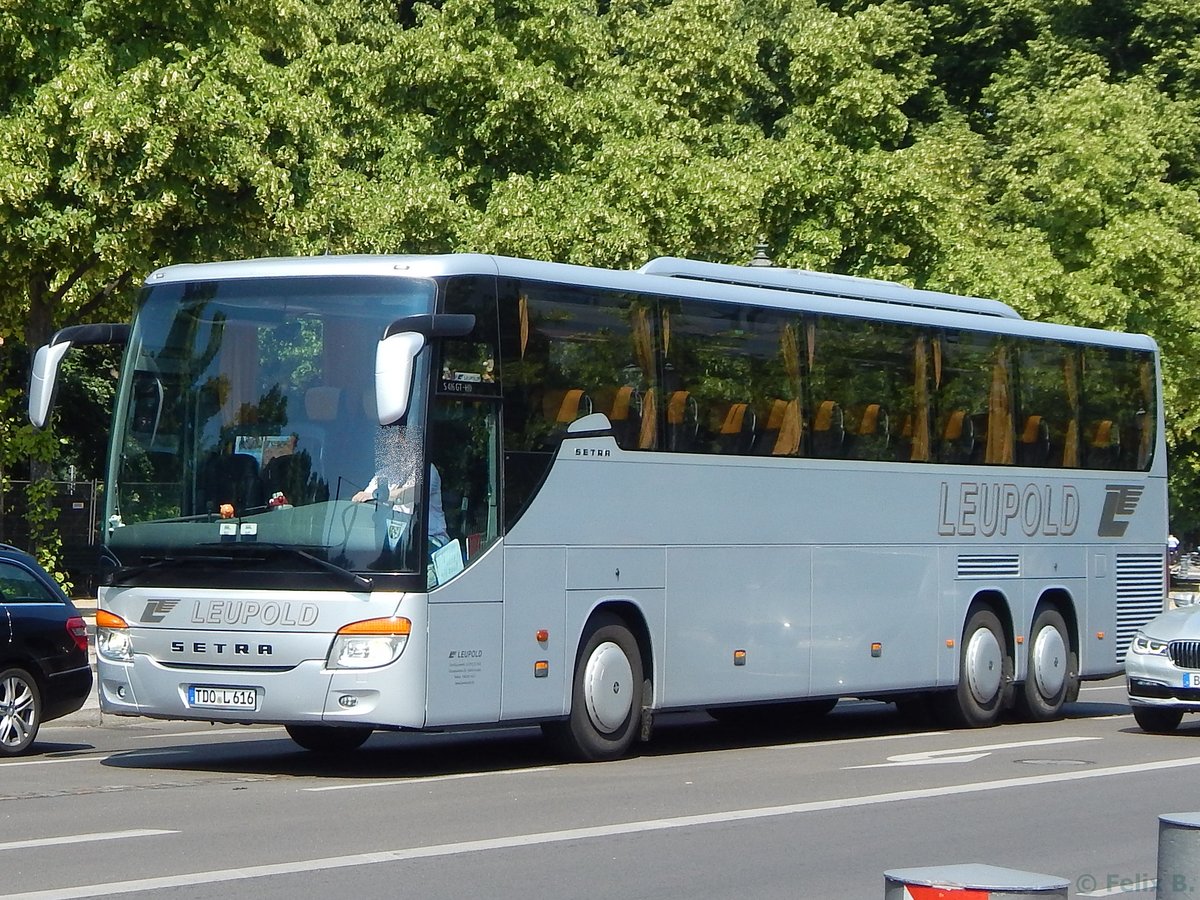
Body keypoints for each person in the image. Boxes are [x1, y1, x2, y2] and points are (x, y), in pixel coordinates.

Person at [352, 464, 450, 547]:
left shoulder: (427, 470)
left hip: (429, 542)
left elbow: (409, 494)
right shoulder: (384, 474)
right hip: (392, 542)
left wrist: (374, 495)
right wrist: (362, 498)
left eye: (403, 441)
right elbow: (362, 501)